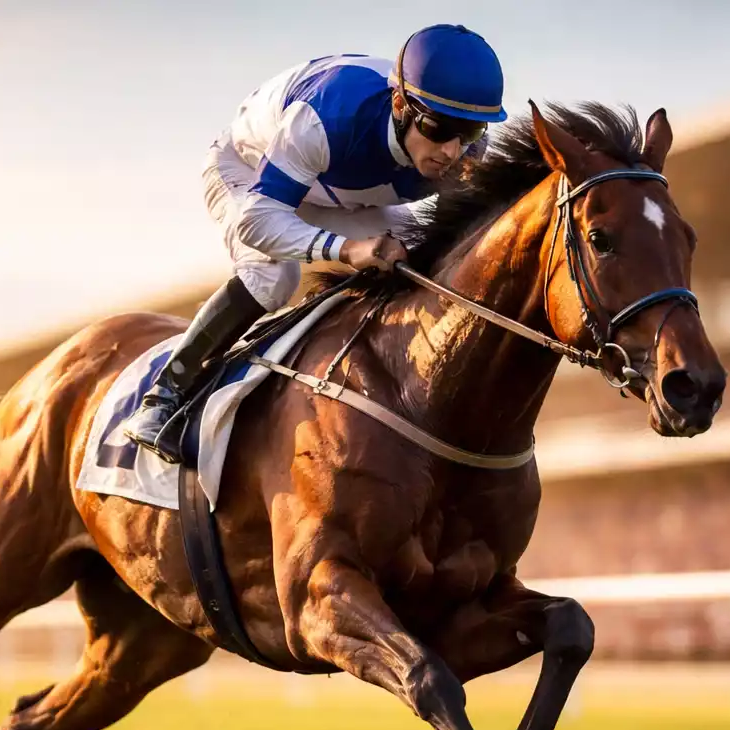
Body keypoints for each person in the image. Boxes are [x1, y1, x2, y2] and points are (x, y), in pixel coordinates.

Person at [122, 24, 508, 462]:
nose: (454, 151)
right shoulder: (328, 117)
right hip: (251, 175)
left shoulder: (466, 152)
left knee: (412, 262)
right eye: (439, 128)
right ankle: (164, 396)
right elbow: (257, 222)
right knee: (272, 276)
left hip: (339, 191)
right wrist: (346, 250)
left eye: (471, 132)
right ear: (400, 104)